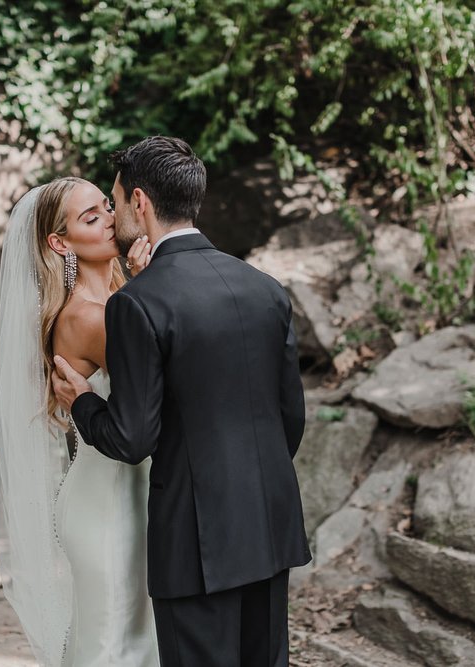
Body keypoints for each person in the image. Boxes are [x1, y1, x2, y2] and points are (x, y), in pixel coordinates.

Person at [52, 136, 311, 667]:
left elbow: (132, 438)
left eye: (117, 201)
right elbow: (291, 420)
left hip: (196, 543)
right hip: (269, 523)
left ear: (141, 203)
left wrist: (82, 401)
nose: (114, 211)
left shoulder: (137, 303)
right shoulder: (264, 287)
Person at [0, 176, 159, 666]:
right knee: (116, 646)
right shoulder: (86, 317)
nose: (110, 217)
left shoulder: (116, 299)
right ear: (59, 243)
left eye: (107, 206)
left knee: (128, 640)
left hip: (124, 492)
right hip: (110, 504)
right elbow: (160, 371)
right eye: (91, 217)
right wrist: (152, 284)